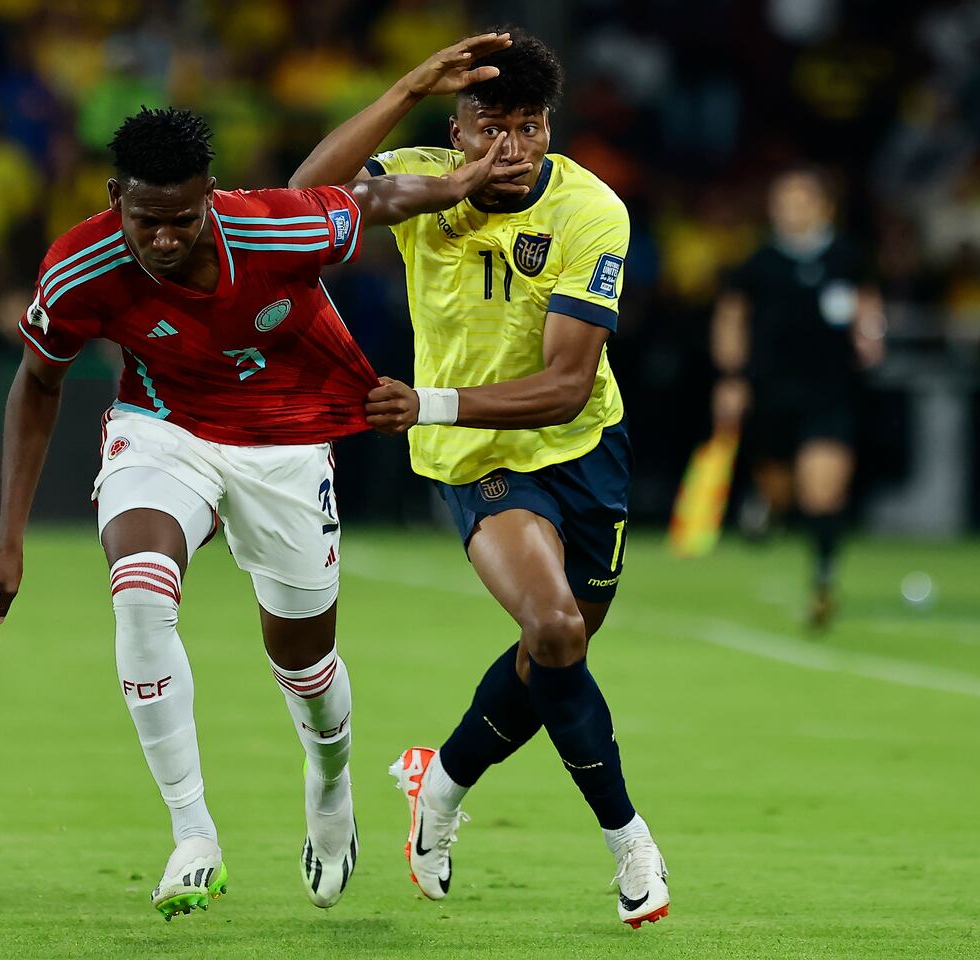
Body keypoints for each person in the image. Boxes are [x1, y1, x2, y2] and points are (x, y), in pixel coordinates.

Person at [0, 106, 515, 920]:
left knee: (305, 665)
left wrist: (459, 184)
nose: (164, 238)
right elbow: (38, 382)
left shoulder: (273, 228)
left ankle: (329, 784)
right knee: (140, 592)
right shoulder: (79, 266)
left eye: (184, 219)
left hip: (286, 440)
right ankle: (193, 836)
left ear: (210, 196)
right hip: (163, 430)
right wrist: (8, 539)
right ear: (115, 198)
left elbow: (373, 200)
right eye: (146, 220)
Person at [291, 30, 669, 928]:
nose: (511, 148)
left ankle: (442, 784)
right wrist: (405, 90)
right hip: (479, 458)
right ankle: (630, 842)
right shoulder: (418, 180)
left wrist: (426, 402)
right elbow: (301, 202)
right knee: (556, 627)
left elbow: (567, 385)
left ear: (549, 130)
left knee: (553, 658)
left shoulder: (590, 211)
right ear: (454, 130)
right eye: (490, 128)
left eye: (529, 127)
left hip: (582, 446)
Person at [711, 167, 884, 626]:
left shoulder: (848, 256)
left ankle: (824, 580)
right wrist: (731, 378)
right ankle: (766, 506)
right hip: (771, 393)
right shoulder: (758, 263)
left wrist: (871, 337)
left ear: (824, 207)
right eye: (783, 202)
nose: (790, 210)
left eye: (800, 201)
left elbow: (868, 307)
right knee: (780, 490)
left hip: (830, 391)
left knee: (822, 490)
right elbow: (731, 319)